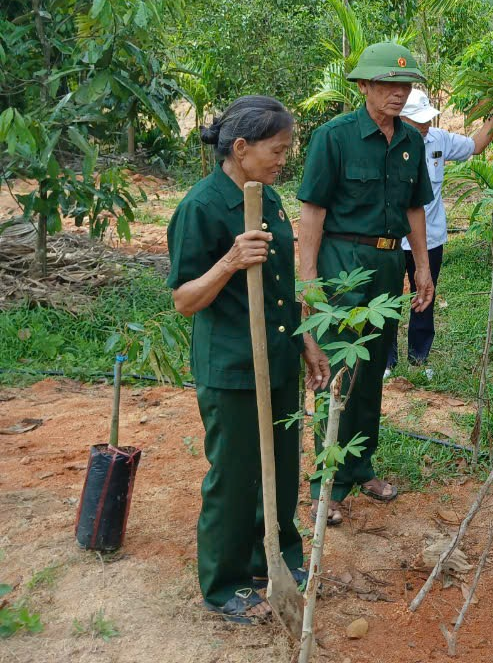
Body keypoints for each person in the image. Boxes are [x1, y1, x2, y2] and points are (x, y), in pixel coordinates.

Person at [166, 96, 330, 624]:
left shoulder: (271, 199)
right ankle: (224, 583)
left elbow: (282, 284)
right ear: (240, 148)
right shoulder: (202, 207)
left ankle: (275, 559)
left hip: (277, 355)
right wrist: (230, 261)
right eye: (277, 149)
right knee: (235, 476)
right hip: (234, 366)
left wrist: (304, 340)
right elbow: (185, 299)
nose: (285, 158)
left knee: (282, 467)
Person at [297, 43, 434, 517]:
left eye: (406, 85)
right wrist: (309, 280)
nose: (399, 93)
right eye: (388, 85)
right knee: (339, 369)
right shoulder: (333, 138)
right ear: (364, 87)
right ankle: (326, 484)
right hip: (342, 263)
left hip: (388, 263)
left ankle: (361, 465)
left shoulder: (411, 142)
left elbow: (415, 207)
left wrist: (420, 266)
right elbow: (312, 211)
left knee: (374, 367)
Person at [385, 88, 493, 374]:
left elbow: (475, 145)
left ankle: (419, 356)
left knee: (424, 294)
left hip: (430, 237)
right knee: (386, 298)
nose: (424, 126)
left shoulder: (439, 139)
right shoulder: (382, 143)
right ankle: (385, 360)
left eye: (426, 120)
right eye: (417, 121)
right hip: (391, 238)